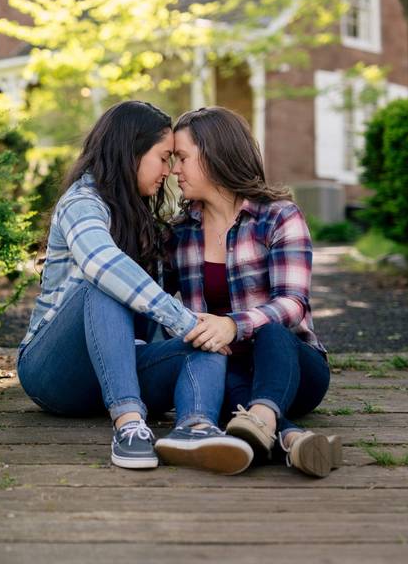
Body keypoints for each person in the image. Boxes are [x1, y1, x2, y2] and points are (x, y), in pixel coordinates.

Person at [17, 100, 252, 475]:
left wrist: (200, 328)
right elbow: (101, 263)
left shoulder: (146, 219)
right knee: (104, 284)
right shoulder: (81, 203)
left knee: (206, 339)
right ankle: (128, 427)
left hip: (121, 369)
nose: (170, 170)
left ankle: (194, 428)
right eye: (163, 157)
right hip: (55, 374)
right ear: (131, 152)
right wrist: (183, 320)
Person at [168, 106, 340, 477]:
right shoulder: (180, 232)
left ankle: (262, 418)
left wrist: (233, 325)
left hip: (293, 368)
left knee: (273, 332)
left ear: (215, 156)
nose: (173, 170)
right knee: (217, 369)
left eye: (182, 158)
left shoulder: (278, 216)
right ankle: (294, 441)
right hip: (229, 372)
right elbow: (154, 303)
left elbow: (294, 304)